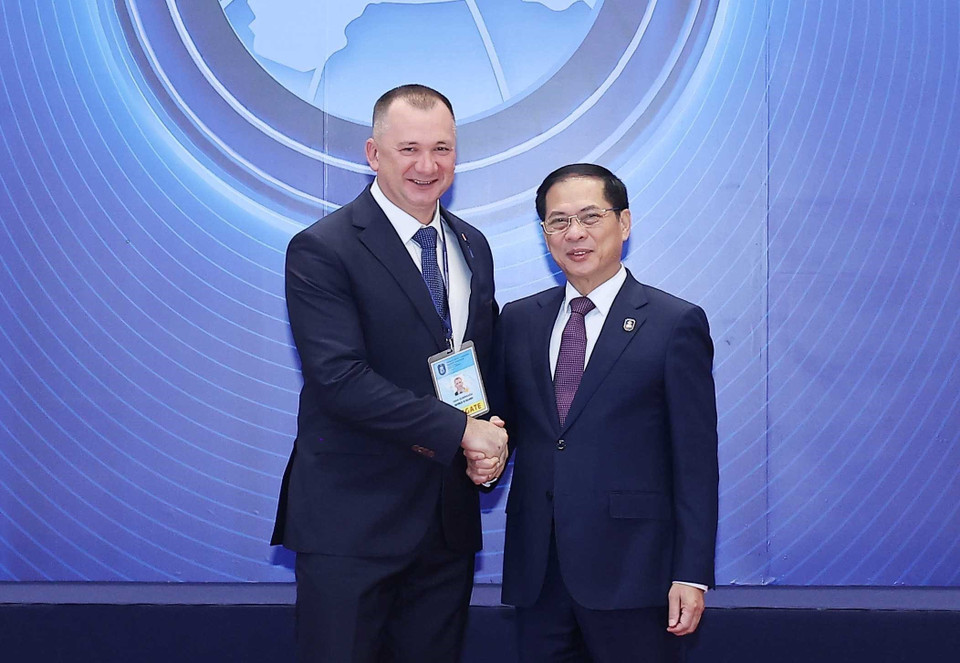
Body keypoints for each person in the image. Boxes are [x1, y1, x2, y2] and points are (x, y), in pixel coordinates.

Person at [272, 84, 507, 663]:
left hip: (446, 524)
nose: (427, 166)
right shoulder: (323, 248)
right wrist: (461, 433)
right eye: (409, 149)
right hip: (353, 524)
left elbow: (474, 363)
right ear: (373, 154)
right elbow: (340, 379)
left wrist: (491, 439)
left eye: (442, 149)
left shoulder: (472, 245)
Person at [485, 164, 719, 662]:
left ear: (624, 223)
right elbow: (507, 428)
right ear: (544, 233)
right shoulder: (519, 320)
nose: (575, 233)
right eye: (558, 221)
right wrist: (482, 455)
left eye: (591, 217)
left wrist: (691, 573)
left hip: (635, 573)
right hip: (538, 573)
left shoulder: (674, 323)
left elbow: (696, 463)